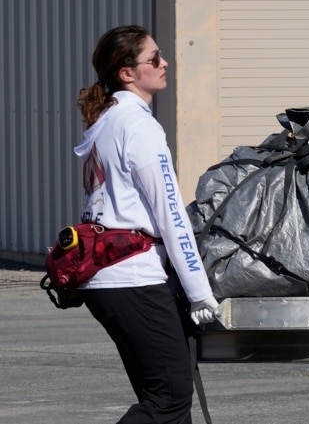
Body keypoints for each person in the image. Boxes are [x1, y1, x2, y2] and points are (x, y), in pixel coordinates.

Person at [75, 25, 220, 424]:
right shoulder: (139, 126)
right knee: (170, 399)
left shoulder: (106, 122)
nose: (164, 63)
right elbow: (170, 213)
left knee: (167, 401)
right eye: (153, 58)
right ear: (127, 72)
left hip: (107, 278)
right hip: (133, 279)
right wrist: (199, 291)